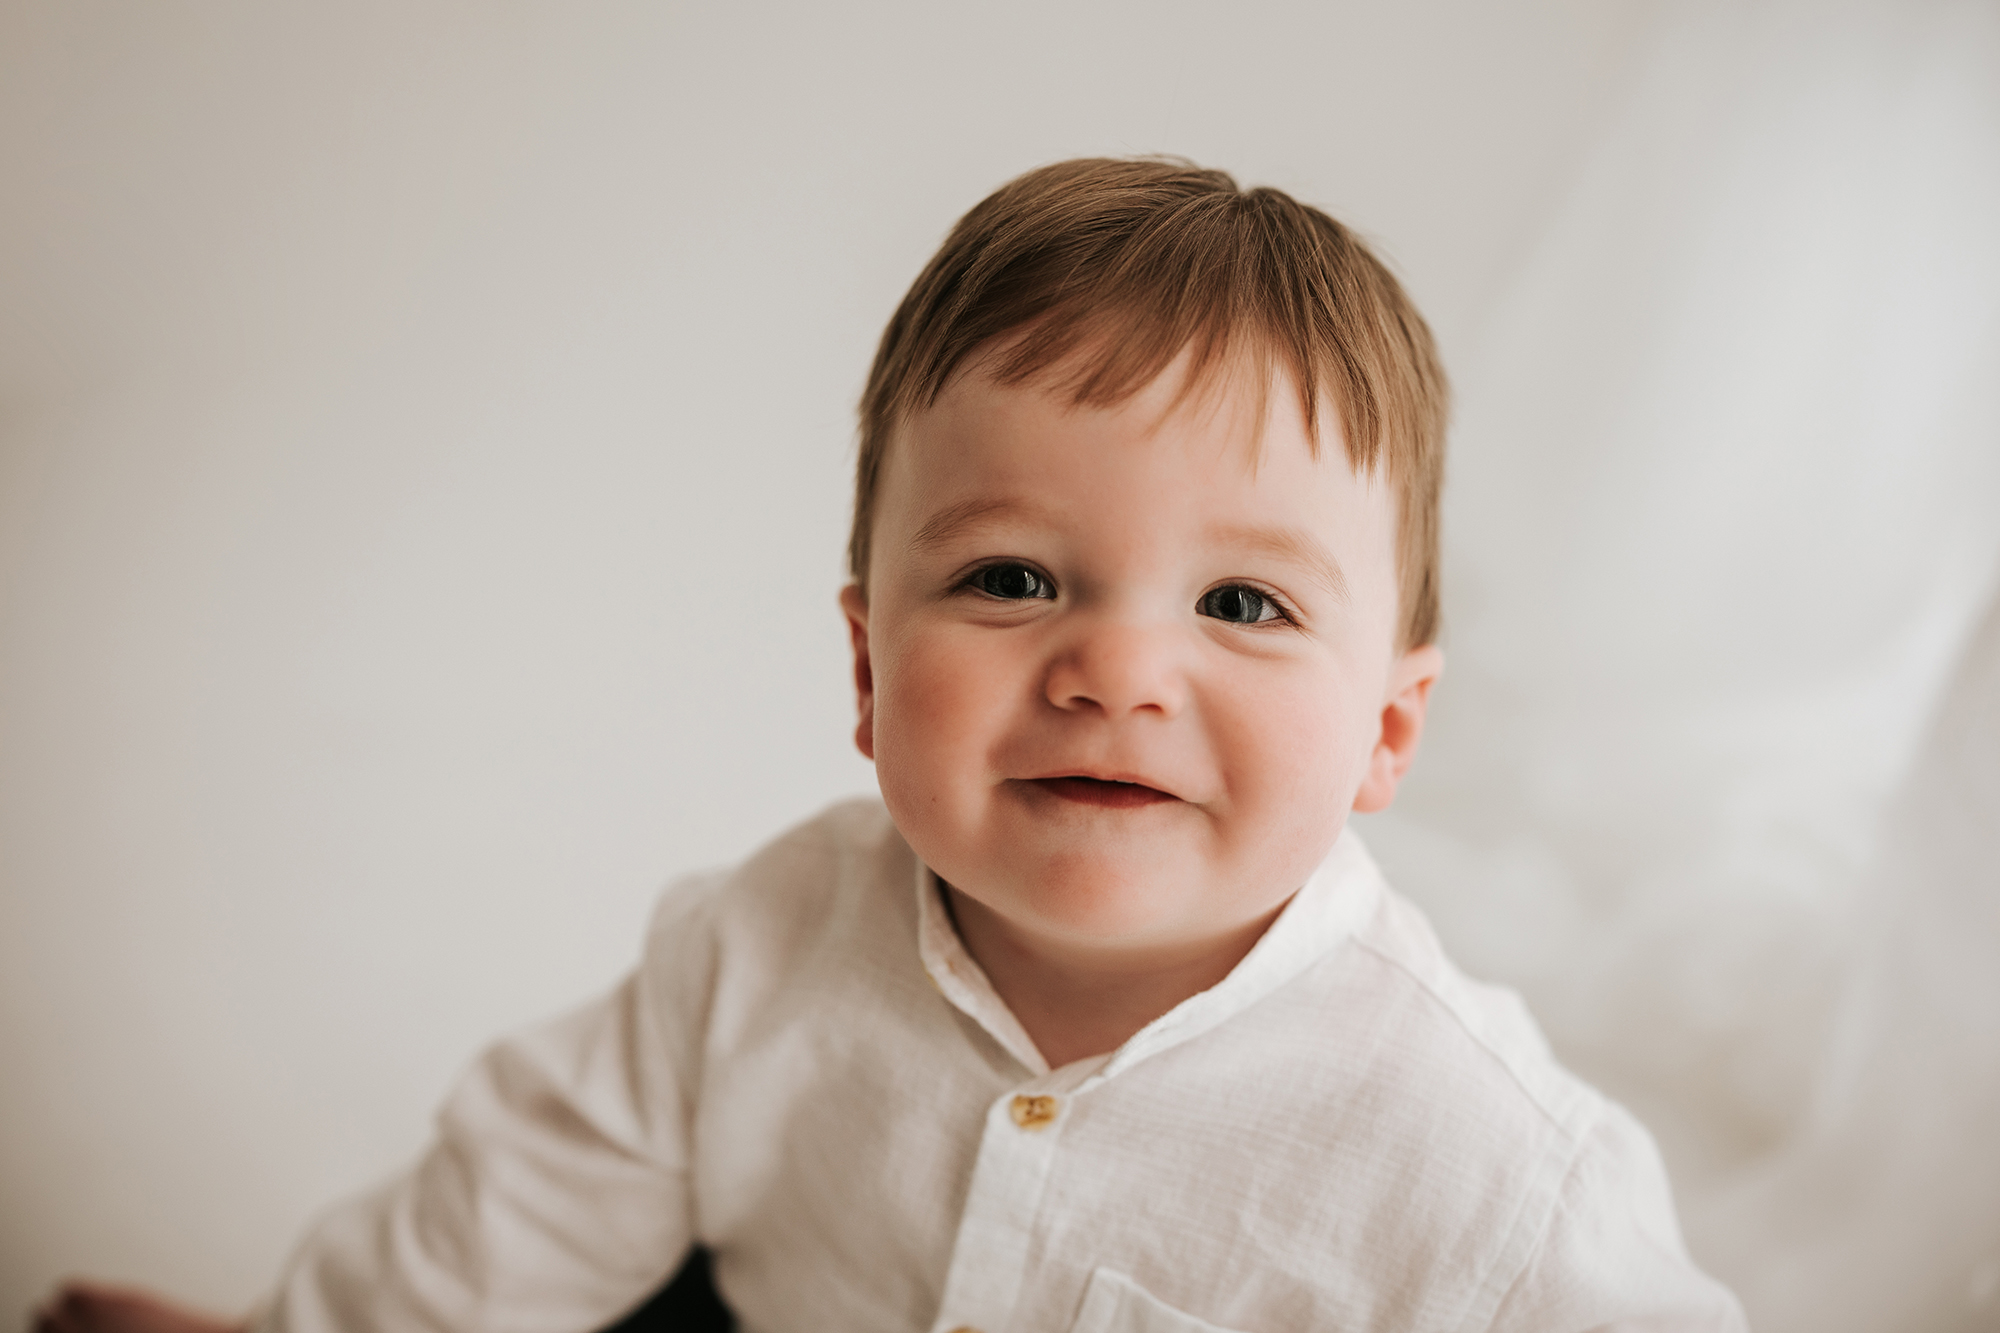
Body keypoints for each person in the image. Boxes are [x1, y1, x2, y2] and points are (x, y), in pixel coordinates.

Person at [35, 158, 1746, 1333]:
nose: (1115, 669)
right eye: (1012, 578)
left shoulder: (1491, 1169)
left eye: (1242, 604)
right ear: (868, 664)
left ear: (1386, 727)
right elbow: (516, 1210)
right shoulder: (758, 947)